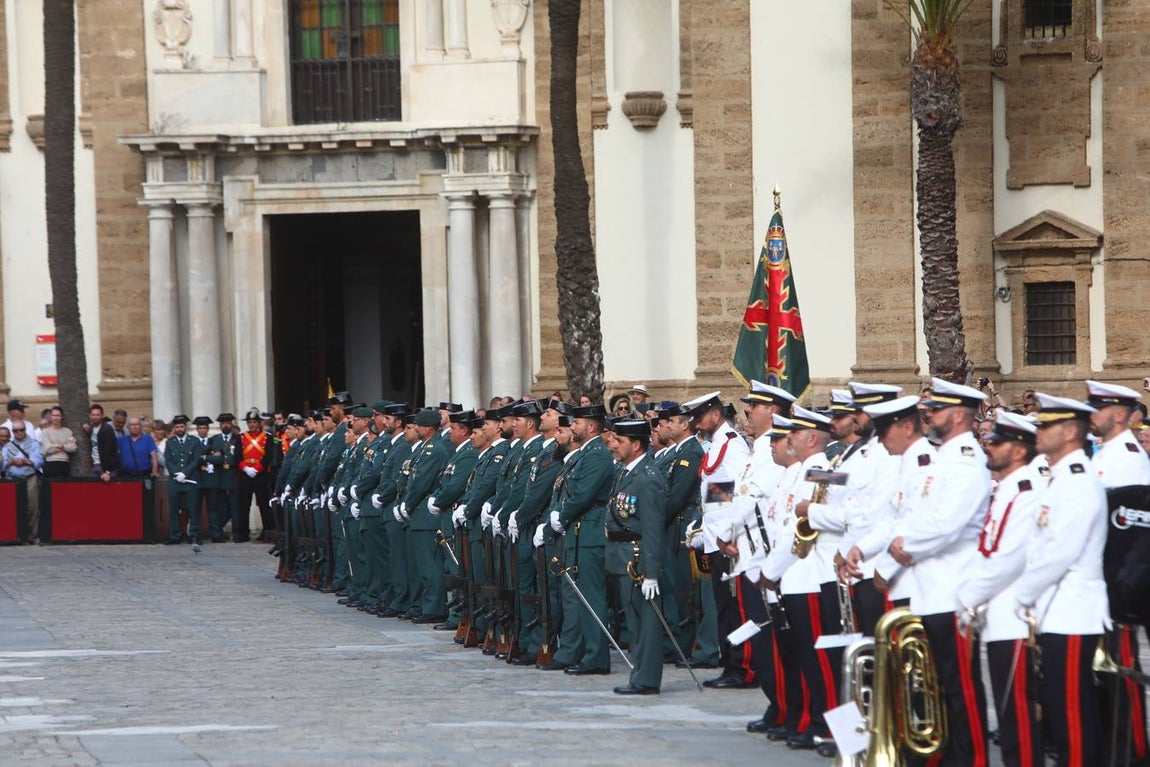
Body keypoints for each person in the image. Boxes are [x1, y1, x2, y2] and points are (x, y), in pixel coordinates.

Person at [1015, 392, 1109, 767]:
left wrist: (1021, 595)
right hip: (1057, 609)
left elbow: (1059, 551)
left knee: (1071, 708)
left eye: (1047, 424)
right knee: (1060, 702)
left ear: (1070, 431)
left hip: (1073, 610)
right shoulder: (1060, 478)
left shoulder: (1078, 480)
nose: (1038, 429)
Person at [956, 410, 1048, 767]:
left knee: (1019, 714)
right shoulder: (1010, 488)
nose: (989, 446)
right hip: (996, 615)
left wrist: (967, 598)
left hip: (1014, 617)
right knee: (1009, 713)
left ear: (1020, 450)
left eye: (998, 442)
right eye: (990, 439)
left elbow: (1009, 558)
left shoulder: (1026, 490)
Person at [604, 418, 668, 695]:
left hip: (638, 559)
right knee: (635, 621)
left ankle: (647, 679)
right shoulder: (626, 472)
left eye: (620, 441)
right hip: (623, 556)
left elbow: (653, 529)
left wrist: (652, 572)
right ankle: (639, 673)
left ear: (637, 444)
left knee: (647, 623)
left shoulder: (647, 479)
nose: (613, 445)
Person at [164, 415, 205, 545]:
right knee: (174, 509)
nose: (179, 429)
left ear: (185, 427)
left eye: (181, 426)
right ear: (174, 429)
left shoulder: (194, 441)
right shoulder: (170, 443)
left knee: (193, 509)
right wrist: (176, 474)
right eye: (177, 427)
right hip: (175, 481)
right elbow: (168, 460)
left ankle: (194, 534)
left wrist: (185, 473)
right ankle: (175, 534)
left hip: (190, 480)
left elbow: (195, 459)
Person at [3, 422, 44, 544]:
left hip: (29, 478)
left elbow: (39, 460)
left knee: (32, 507)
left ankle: (32, 535)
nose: (19, 432)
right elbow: (3, 464)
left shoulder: (33, 444)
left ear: (25, 430)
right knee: (14, 508)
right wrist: (12, 462)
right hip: (13, 480)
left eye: (21, 430)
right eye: (16, 431)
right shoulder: (7, 446)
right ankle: (17, 535)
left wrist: (26, 461)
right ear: (13, 432)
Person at [39, 406, 77, 478]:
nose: (56, 418)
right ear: (50, 417)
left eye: (58, 416)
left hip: (64, 463)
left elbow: (73, 448)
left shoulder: (67, 432)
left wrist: (61, 446)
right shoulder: (45, 432)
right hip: (51, 463)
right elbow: (46, 449)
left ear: (61, 417)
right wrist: (64, 447)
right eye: (54, 415)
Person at [88, 404, 120, 481]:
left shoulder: (107, 429)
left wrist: (107, 471)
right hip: (95, 464)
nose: (95, 417)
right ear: (90, 416)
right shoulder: (91, 428)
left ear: (102, 416)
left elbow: (109, 451)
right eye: (93, 415)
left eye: (97, 415)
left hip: (104, 467)